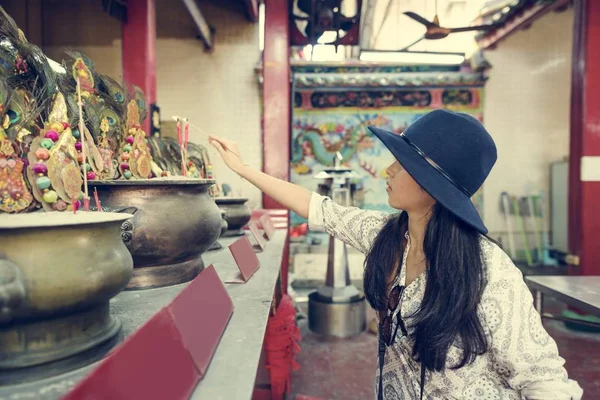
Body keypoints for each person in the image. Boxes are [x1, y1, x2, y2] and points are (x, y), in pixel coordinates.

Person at [209, 109, 583, 400]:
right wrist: (242, 169)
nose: (387, 169)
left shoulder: (488, 271)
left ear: (433, 183)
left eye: (402, 163)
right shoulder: (388, 237)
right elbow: (318, 207)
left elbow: (544, 379)